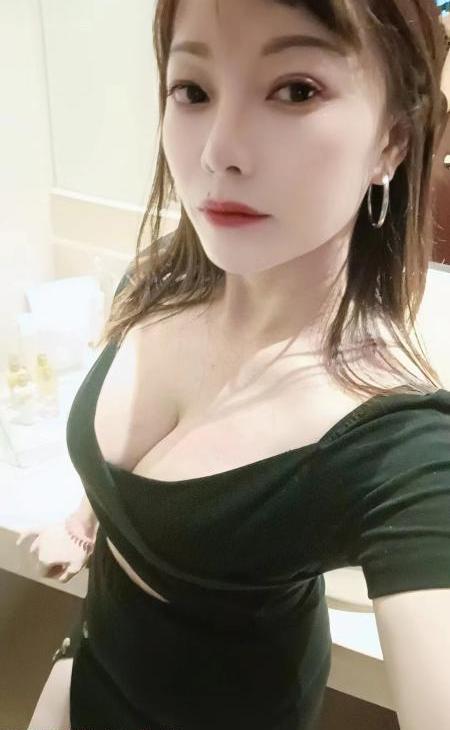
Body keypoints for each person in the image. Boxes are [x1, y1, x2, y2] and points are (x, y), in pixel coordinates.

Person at [20, 1, 450, 729]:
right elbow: (137, 492)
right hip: (85, 675)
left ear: (392, 140)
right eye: (192, 90)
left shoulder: (399, 448)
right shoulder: (158, 281)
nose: (219, 151)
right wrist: (87, 518)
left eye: (296, 90)